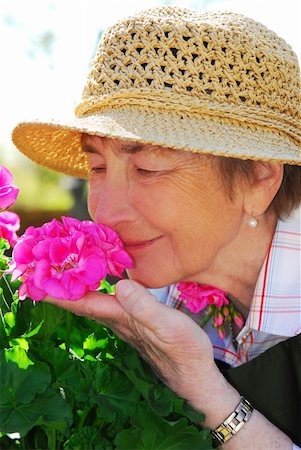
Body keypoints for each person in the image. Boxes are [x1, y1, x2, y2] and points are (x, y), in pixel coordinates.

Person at [12, 6, 300, 449]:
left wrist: (207, 394)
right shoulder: (153, 294)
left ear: (260, 180)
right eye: (96, 167)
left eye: (147, 168)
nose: (105, 213)